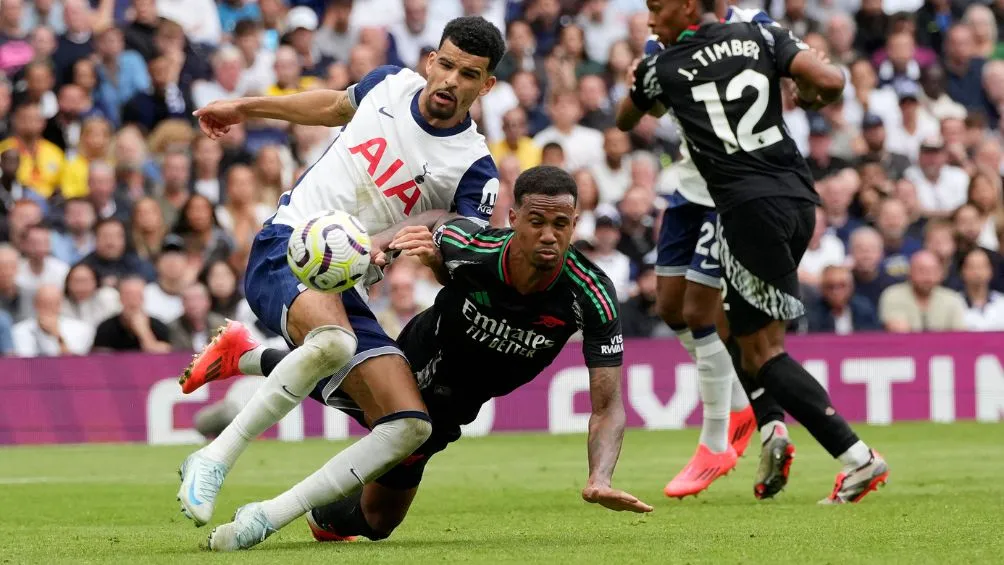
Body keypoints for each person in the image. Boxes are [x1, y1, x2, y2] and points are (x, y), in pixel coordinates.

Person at [179, 166, 652, 544]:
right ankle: (264, 502)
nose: (549, 235)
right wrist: (386, 246)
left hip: (460, 404)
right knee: (395, 419)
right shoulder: (474, 247)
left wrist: (599, 477)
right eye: (537, 221)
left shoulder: (591, 294)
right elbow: (437, 220)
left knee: (378, 521)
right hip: (423, 356)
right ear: (513, 219)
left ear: (575, 224)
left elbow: (607, 404)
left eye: (561, 224)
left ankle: (249, 361)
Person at [175, 17, 507, 551]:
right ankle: (213, 457)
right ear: (430, 61)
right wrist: (244, 107)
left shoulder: (473, 169)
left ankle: (263, 512)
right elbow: (331, 106)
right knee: (333, 343)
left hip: (344, 285)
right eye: (445, 65)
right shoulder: (389, 84)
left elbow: (462, 261)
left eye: (467, 74)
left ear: (485, 85)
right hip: (288, 244)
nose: (450, 80)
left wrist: (431, 255)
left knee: (408, 427)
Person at [617, 0, 888, 504]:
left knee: (753, 346)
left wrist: (640, 79)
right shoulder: (757, 34)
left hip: (739, 206)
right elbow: (828, 81)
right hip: (786, 195)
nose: (651, 17)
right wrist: (808, 91)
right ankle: (771, 429)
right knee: (710, 322)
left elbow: (630, 115)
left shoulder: (677, 53)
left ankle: (842, 453)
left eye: (657, 7)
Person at [634, 2, 783, 500]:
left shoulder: (756, 26)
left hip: (731, 193)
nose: (653, 16)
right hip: (687, 186)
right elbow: (652, 108)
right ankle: (740, 404)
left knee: (702, 313)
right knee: (670, 307)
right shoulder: (665, 35)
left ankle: (716, 439)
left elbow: (795, 80)